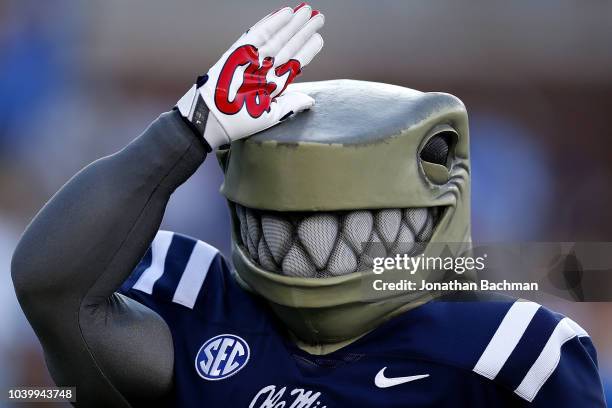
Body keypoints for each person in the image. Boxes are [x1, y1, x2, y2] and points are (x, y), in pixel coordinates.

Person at [11, 4, 606, 407]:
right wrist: (187, 129)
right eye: (296, 223)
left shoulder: (511, 353)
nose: (315, 241)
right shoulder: (199, 307)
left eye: (338, 224)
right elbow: (51, 284)